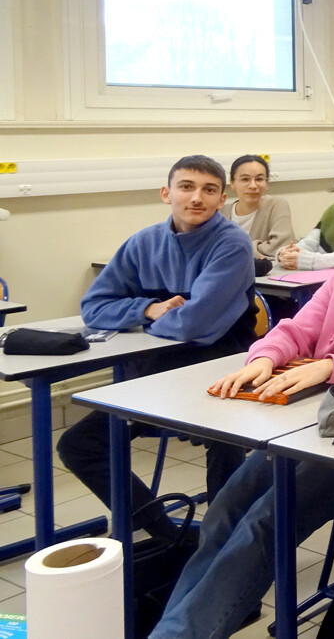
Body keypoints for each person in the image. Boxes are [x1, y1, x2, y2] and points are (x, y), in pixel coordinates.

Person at [148, 189, 334, 639]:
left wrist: (331, 364)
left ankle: (184, 633)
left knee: (266, 520)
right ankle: (186, 622)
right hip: (315, 427)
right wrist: (264, 357)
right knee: (227, 508)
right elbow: (296, 329)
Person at [60, 155, 256, 539]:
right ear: (167, 193)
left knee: (225, 443)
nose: (196, 197)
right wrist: (148, 307)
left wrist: (146, 318)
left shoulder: (232, 243)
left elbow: (198, 326)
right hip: (155, 379)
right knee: (78, 445)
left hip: (222, 374)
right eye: (186, 187)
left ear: (222, 199)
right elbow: (93, 307)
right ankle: (168, 536)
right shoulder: (143, 242)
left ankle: (220, 543)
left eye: (209, 190)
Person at [221, 154, 294, 261]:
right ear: (232, 184)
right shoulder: (221, 212)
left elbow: (280, 248)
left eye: (259, 179)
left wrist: (232, 250)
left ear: (266, 183)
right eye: (245, 179)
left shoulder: (277, 205)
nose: (253, 186)